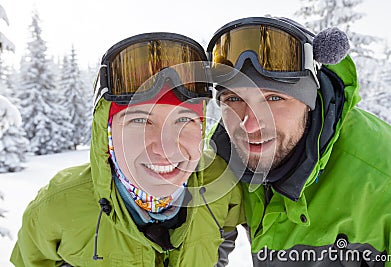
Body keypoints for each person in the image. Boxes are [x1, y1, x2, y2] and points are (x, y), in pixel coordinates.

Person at [11, 33, 244, 267]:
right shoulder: (58, 205)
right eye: (140, 121)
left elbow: (223, 235)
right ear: (108, 133)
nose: (166, 148)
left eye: (184, 119)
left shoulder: (221, 187)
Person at [207, 16, 391, 266]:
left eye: (274, 99)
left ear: (309, 102)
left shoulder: (387, 182)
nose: (249, 125)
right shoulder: (223, 157)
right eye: (233, 99)